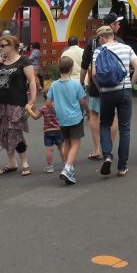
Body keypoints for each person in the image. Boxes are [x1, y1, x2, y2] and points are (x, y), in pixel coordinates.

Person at [93, 24, 137, 176]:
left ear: (101, 38)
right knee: (125, 129)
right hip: (124, 91)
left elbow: (94, 74)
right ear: (112, 35)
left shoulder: (98, 51)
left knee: (105, 124)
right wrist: (130, 85)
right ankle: (122, 167)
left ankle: (107, 156)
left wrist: (100, 88)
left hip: (107, 93)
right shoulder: (126, 48)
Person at [0, 34, 37, 177]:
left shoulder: (23, 61)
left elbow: (32, 80)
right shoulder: (0, 62)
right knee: (4, 132)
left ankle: (24, 162)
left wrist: (32, 100)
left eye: (3, 46)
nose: (1, 48)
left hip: (17, 102)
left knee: (15, 131)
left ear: (13, 47)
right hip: (0, 101)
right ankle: (11, 162)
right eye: (0, 46)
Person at [79, 13, 122, 161]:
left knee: (94, 114)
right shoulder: (120, 42)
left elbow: (84, 65)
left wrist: (81, 82)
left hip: (96, 84)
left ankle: (97, 148)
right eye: (116, 23)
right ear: (110, 26)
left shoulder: (92, 42)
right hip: (114, 86)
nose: (119, 26)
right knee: (114, 115)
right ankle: (108, 148)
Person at [44, 56, 89, 185]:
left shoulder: (54, 85)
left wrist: (55, 112)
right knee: (76, 144)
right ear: (71, 68)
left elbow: (48, 103)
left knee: (67, 143)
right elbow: (83, 101)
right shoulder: (75, 84)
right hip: (75, 117)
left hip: (62, 119)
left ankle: (68, 165)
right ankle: (68, 167)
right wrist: (88, 111)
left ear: (59, 68)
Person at [26, 89, 63, 173]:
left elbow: (35, 117)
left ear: (44, 97)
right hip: (59, 130)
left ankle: (50, 167)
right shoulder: (58, 106)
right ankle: (66, 164)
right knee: (61, 148)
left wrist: (29, 110)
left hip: (48, 131)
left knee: (49, 150)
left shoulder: (44, 108)